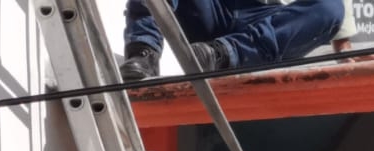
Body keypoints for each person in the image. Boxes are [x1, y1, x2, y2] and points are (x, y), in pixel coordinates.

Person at [119, 0, 347, 82]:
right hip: (210, 10)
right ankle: (143, 53)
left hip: (265, 22)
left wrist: (344, 46)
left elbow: (328, 10)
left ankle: (225, 54)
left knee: (330, 7)